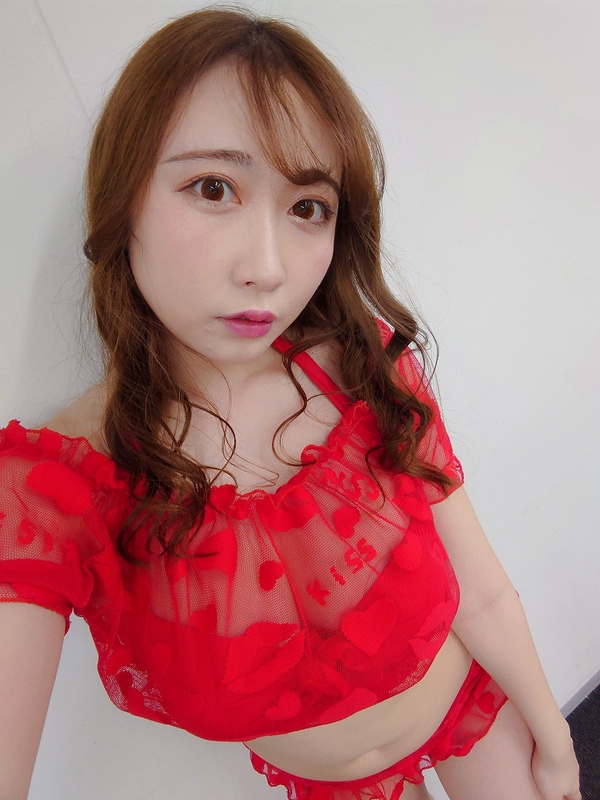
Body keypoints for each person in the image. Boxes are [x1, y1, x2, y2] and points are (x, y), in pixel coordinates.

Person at [0, 7, 581, 800]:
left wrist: (556, 741)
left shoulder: (363, 368)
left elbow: (481, 594)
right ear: (122, 196)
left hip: (470, 711)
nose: (268, 268)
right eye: (213, 188)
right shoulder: (54, 491)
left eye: (308, 207)